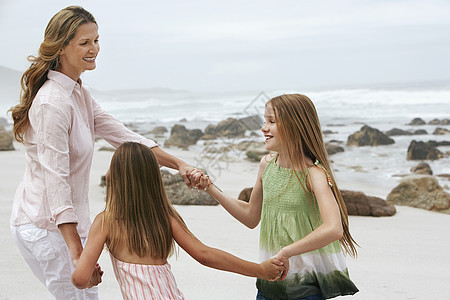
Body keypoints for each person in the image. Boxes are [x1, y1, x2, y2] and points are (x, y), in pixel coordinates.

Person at [8, 6, 203, 299]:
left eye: (96, 40)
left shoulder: (78, 94)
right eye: (85, 42)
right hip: (48, 228)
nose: (94, 49)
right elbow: (55, 182)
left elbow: (125, 137)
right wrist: (76, 253)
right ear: (61, 47)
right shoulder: (52, 104)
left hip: (68, 225)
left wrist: (180, 164)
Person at [71, 142, 286, 299]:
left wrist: (92, 277)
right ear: (153, 178)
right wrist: (260, 270)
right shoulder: (163, 216)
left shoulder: (105, 222)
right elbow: (205, 255)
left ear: (115, 177)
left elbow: (80, 279)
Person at [203, 94, 359, 299]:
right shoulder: (267, 165)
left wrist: (287, 252)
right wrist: (210, 188)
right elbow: (250, 217)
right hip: (270, 282)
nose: (264, 128)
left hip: (306, 286)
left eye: (272, 121)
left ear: (294, 126)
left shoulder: (314, 174)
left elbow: (333, 228)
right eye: (265, 121)